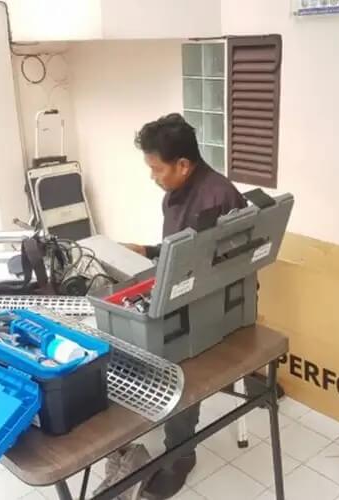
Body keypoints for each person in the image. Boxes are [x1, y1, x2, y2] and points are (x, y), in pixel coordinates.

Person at [119, 113, 247, 500]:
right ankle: (142, 421)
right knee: (123, 329)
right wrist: (146, 251)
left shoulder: (218, 198)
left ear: (183, 165)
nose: (153, 177)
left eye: (157, 169)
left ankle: (181, 454)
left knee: (177, 361)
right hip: (186, 290)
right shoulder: (176, 194)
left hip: (218, 301)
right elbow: (181, 251)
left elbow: (229, 266)